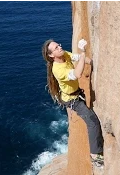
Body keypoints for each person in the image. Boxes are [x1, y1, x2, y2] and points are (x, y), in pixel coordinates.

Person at [41, 39, 104, 167]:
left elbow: (77, 58)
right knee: (92, 121)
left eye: (58, 45)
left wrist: (93, 63)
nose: (59, 47)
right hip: (72, 100)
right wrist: (83, 51)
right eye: (56, 48)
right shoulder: (57, 69)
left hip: (76, 93)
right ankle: (95, 155)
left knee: (91, 118)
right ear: (51, 55)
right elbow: (77, 74)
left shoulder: (64, 55)